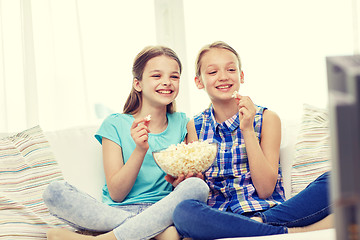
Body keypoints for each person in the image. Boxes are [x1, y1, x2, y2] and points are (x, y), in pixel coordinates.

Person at [42, 45, 209, 240]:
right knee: (54, 192)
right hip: (116, 212)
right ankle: (155, 233)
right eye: (157, 76)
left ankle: (107, 238)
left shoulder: (184, 123)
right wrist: (140, 150)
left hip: (163, 209)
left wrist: (185, 179)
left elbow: (190, 183)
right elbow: (117, 194)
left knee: (198, 187)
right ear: (138, 84)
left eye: (174, 76)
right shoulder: (115, 124)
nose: (167, 82)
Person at [170, 41, 333, 239]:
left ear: (241, 76)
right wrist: (190, 180)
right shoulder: (194, 126)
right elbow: (200, 188)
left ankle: (255, 226)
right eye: (212, 72)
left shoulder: (267, 118)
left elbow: (265, 190)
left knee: (337, 179)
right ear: (199, 82)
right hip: (218, 216)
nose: (223, 76)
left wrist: (247, 129)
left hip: (266, 212)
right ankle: (282, 232)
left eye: (231, 69)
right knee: (183, 211)